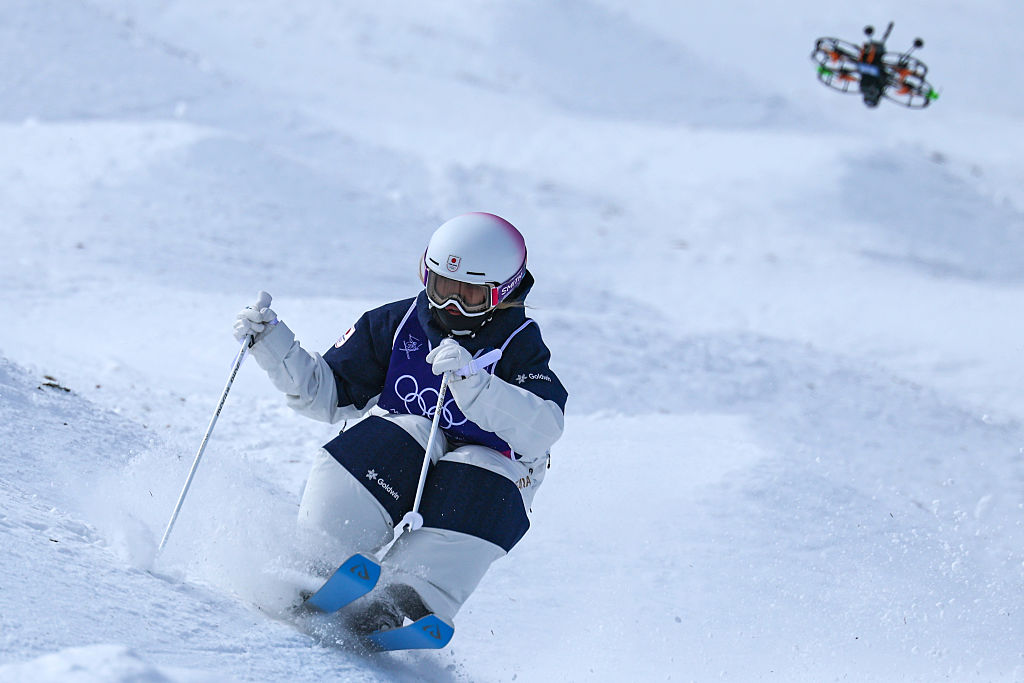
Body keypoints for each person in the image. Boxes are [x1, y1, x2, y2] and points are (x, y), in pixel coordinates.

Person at [233, 212, 568, 635]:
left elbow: (542, 429)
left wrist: (477, 386)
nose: (451, 307)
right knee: (396, 434)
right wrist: (274, 346)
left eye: (470, 296)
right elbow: (326, 393)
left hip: (495, 467)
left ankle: (406, 596)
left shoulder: (520, 346)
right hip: (412, 448)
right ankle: (321, 558)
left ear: (502, 293)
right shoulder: (399, 324)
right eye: (442, 288)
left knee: (478, 472)